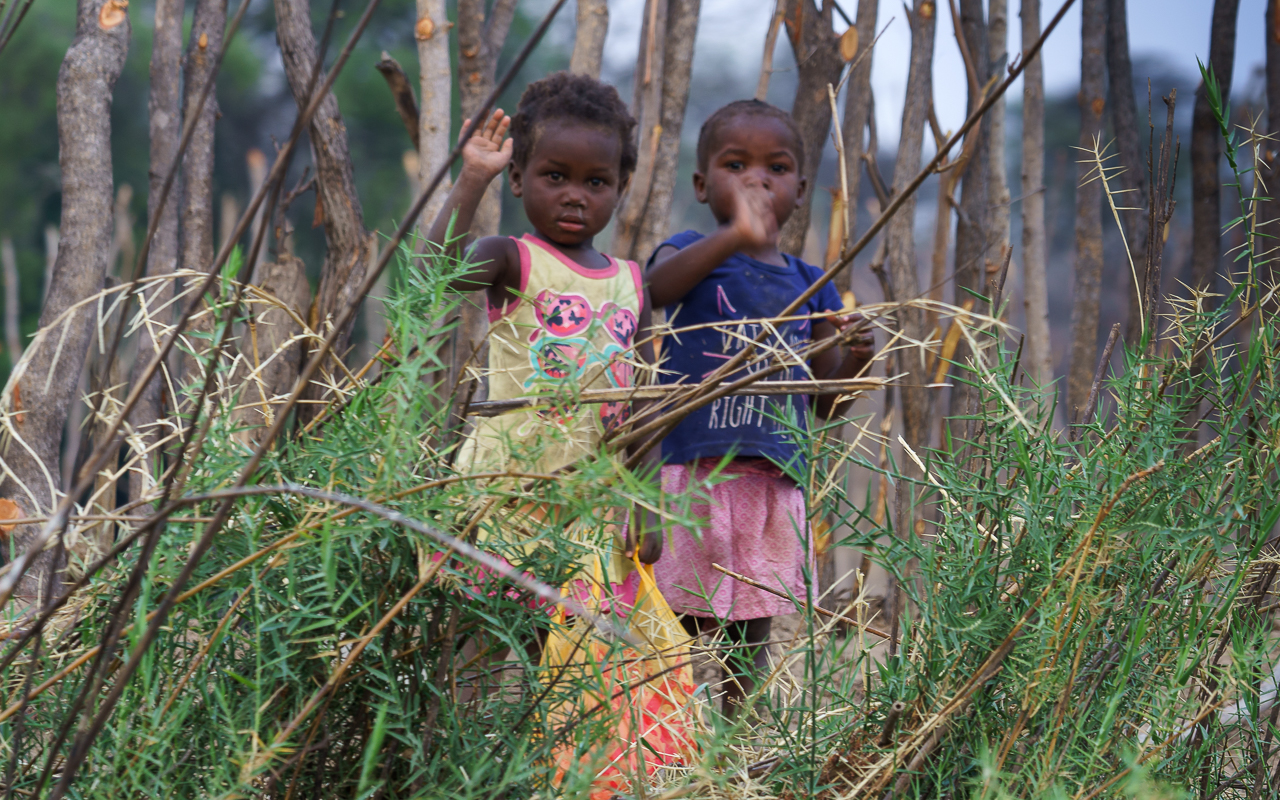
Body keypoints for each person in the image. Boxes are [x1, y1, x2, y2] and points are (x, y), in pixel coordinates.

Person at [645, 99, 875, 715]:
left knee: (751, 630)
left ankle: (735, 747)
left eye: (775, 167)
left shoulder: (810, 282)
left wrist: (856, 355)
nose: (757, 180)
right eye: (735, 165)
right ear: (701, 184)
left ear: (800, 188)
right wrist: (732, 238)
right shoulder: (692, 251)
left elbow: (829, 403)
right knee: (678, 620)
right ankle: (670, 740)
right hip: (693, 471)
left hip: (772, 484)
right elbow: (653, 291)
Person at [424, 72, 661, 630]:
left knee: (562, 653)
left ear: (622, 185)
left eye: (596, 181)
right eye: (554, 176)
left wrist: (647, 504)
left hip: (587, 501)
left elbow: (648, 403)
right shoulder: (509, 258)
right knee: (475, 633)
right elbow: (431, 277)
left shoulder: (633, 283)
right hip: (502, 489)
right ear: (517, 177)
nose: (575, 194)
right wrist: (471, 179)